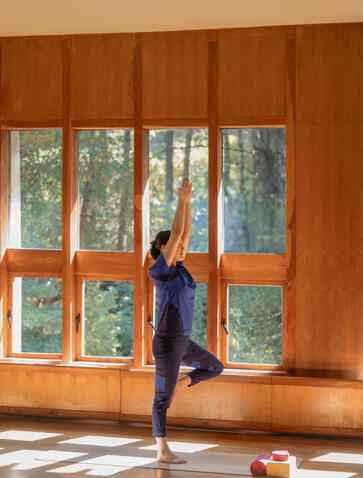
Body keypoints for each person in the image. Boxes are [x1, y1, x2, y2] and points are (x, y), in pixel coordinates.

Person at [148, 177, 224, 464]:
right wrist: (180, 201)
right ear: (167, 247)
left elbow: (185, 230)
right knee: (161, 401)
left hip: (182, 343)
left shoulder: (179, 269)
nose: (184, 247)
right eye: (177, 245)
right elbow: (179, 231)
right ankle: (162, 450)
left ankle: (182, 382)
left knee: (215, 366)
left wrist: (189, 203)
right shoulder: (161, 271)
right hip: (167, 346)